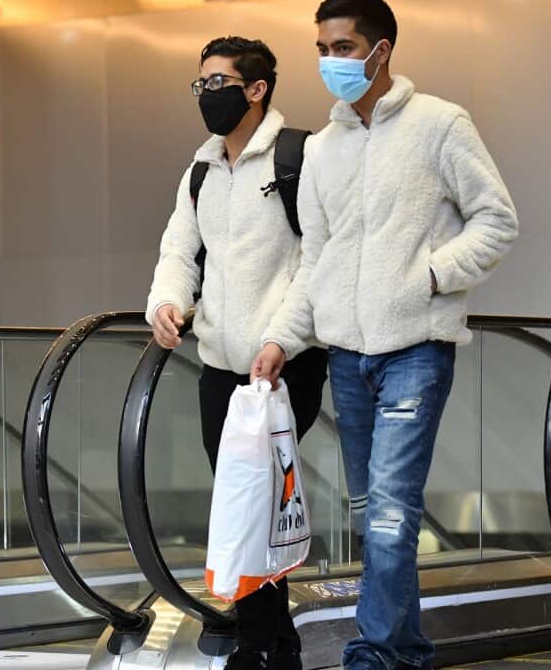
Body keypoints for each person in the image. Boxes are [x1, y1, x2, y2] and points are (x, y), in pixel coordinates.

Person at [254, 0, 518, 670]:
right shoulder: (322, 150)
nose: (330, 63)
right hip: (348, 356)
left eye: (342, 48)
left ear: (381, 51)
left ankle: (371, 653)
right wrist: (282, 338)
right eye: (321, 50)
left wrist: (430, 276)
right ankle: (407, 651)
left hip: (416, 351)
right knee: (375, 512)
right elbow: (316, 260)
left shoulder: (439, 125)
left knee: (391, 514)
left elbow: (497, 220)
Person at [146, 35, 329, 670]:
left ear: (256, 90)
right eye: (200, 85)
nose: (206, 96)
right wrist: (168, 303)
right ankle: (276, 643)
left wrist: (283, 338)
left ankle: (258, 644)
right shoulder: (200, 169)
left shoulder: (298, 157)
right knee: (243, 498)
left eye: (218, 84)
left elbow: (316, 259)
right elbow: (179, 251)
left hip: (286, 367)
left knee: (255, 499)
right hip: (220, 367)